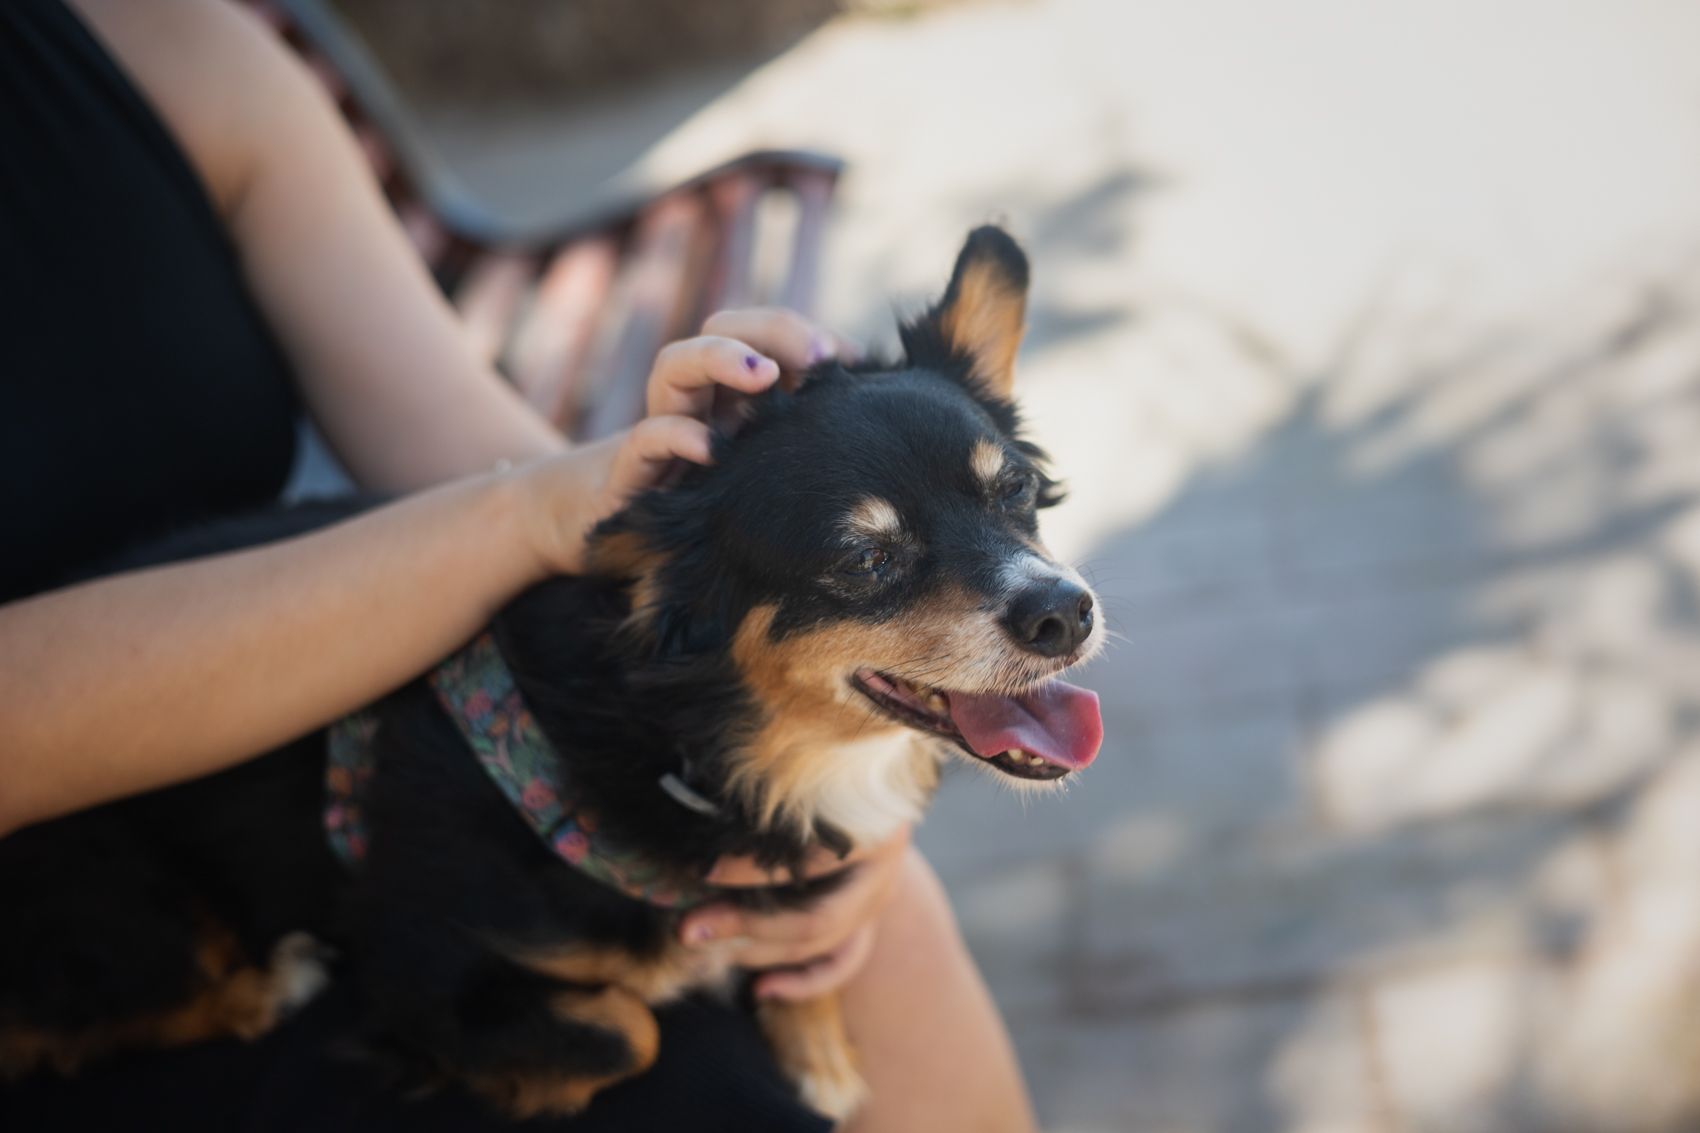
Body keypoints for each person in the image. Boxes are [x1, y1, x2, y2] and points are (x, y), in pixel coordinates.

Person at [0, 0, 1038, 1130]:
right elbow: (521, 509)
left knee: (885, 910)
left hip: (334, 731)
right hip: (98, 902)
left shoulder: (158, 35)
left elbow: (463, 439)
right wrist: (528, 514)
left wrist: (674, 495)